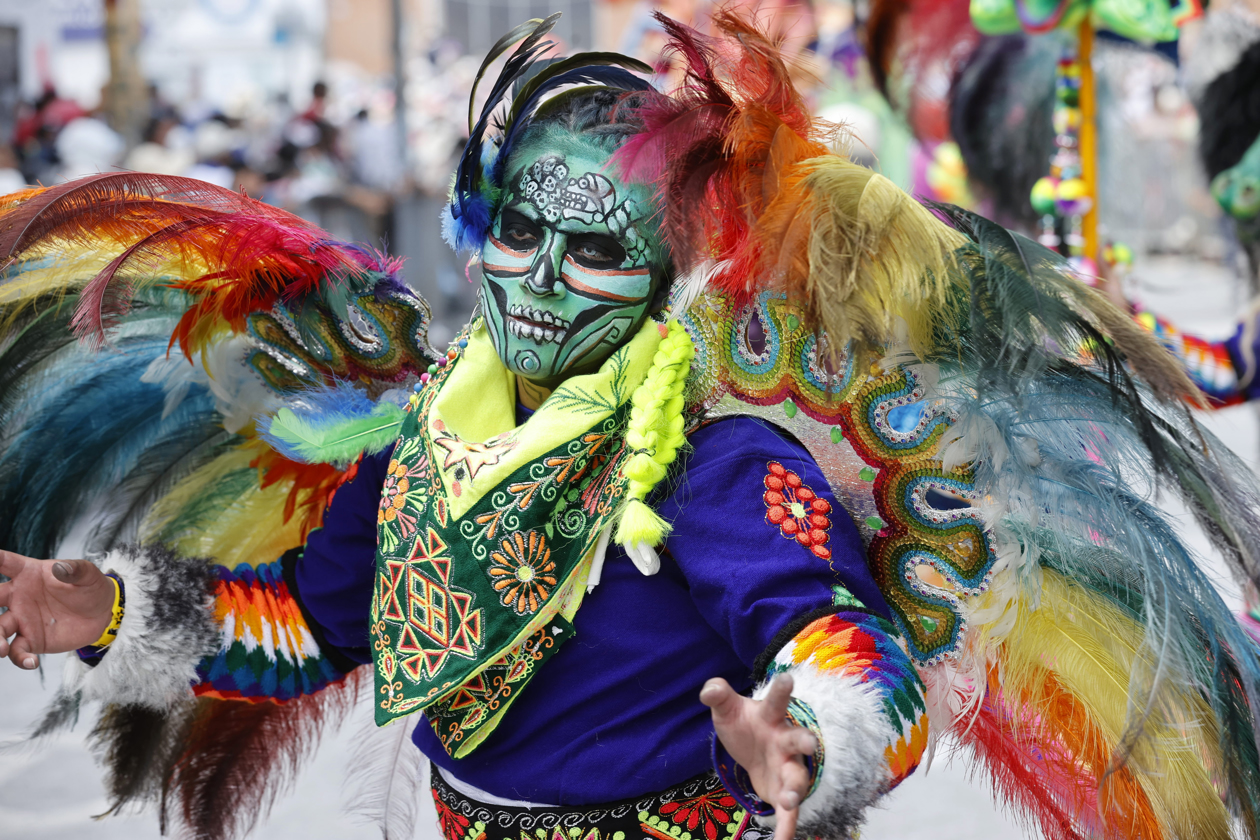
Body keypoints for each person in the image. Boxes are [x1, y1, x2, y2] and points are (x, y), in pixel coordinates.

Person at [2, 13, 1260, 840]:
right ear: (475, 233)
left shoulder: (713, 463)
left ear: (664, 269)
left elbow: (841, 639)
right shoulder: (419, 443)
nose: (544, 277)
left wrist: (808, 738)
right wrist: (104, 614)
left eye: (597, 246)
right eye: (522, 231)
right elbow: (309, 626)